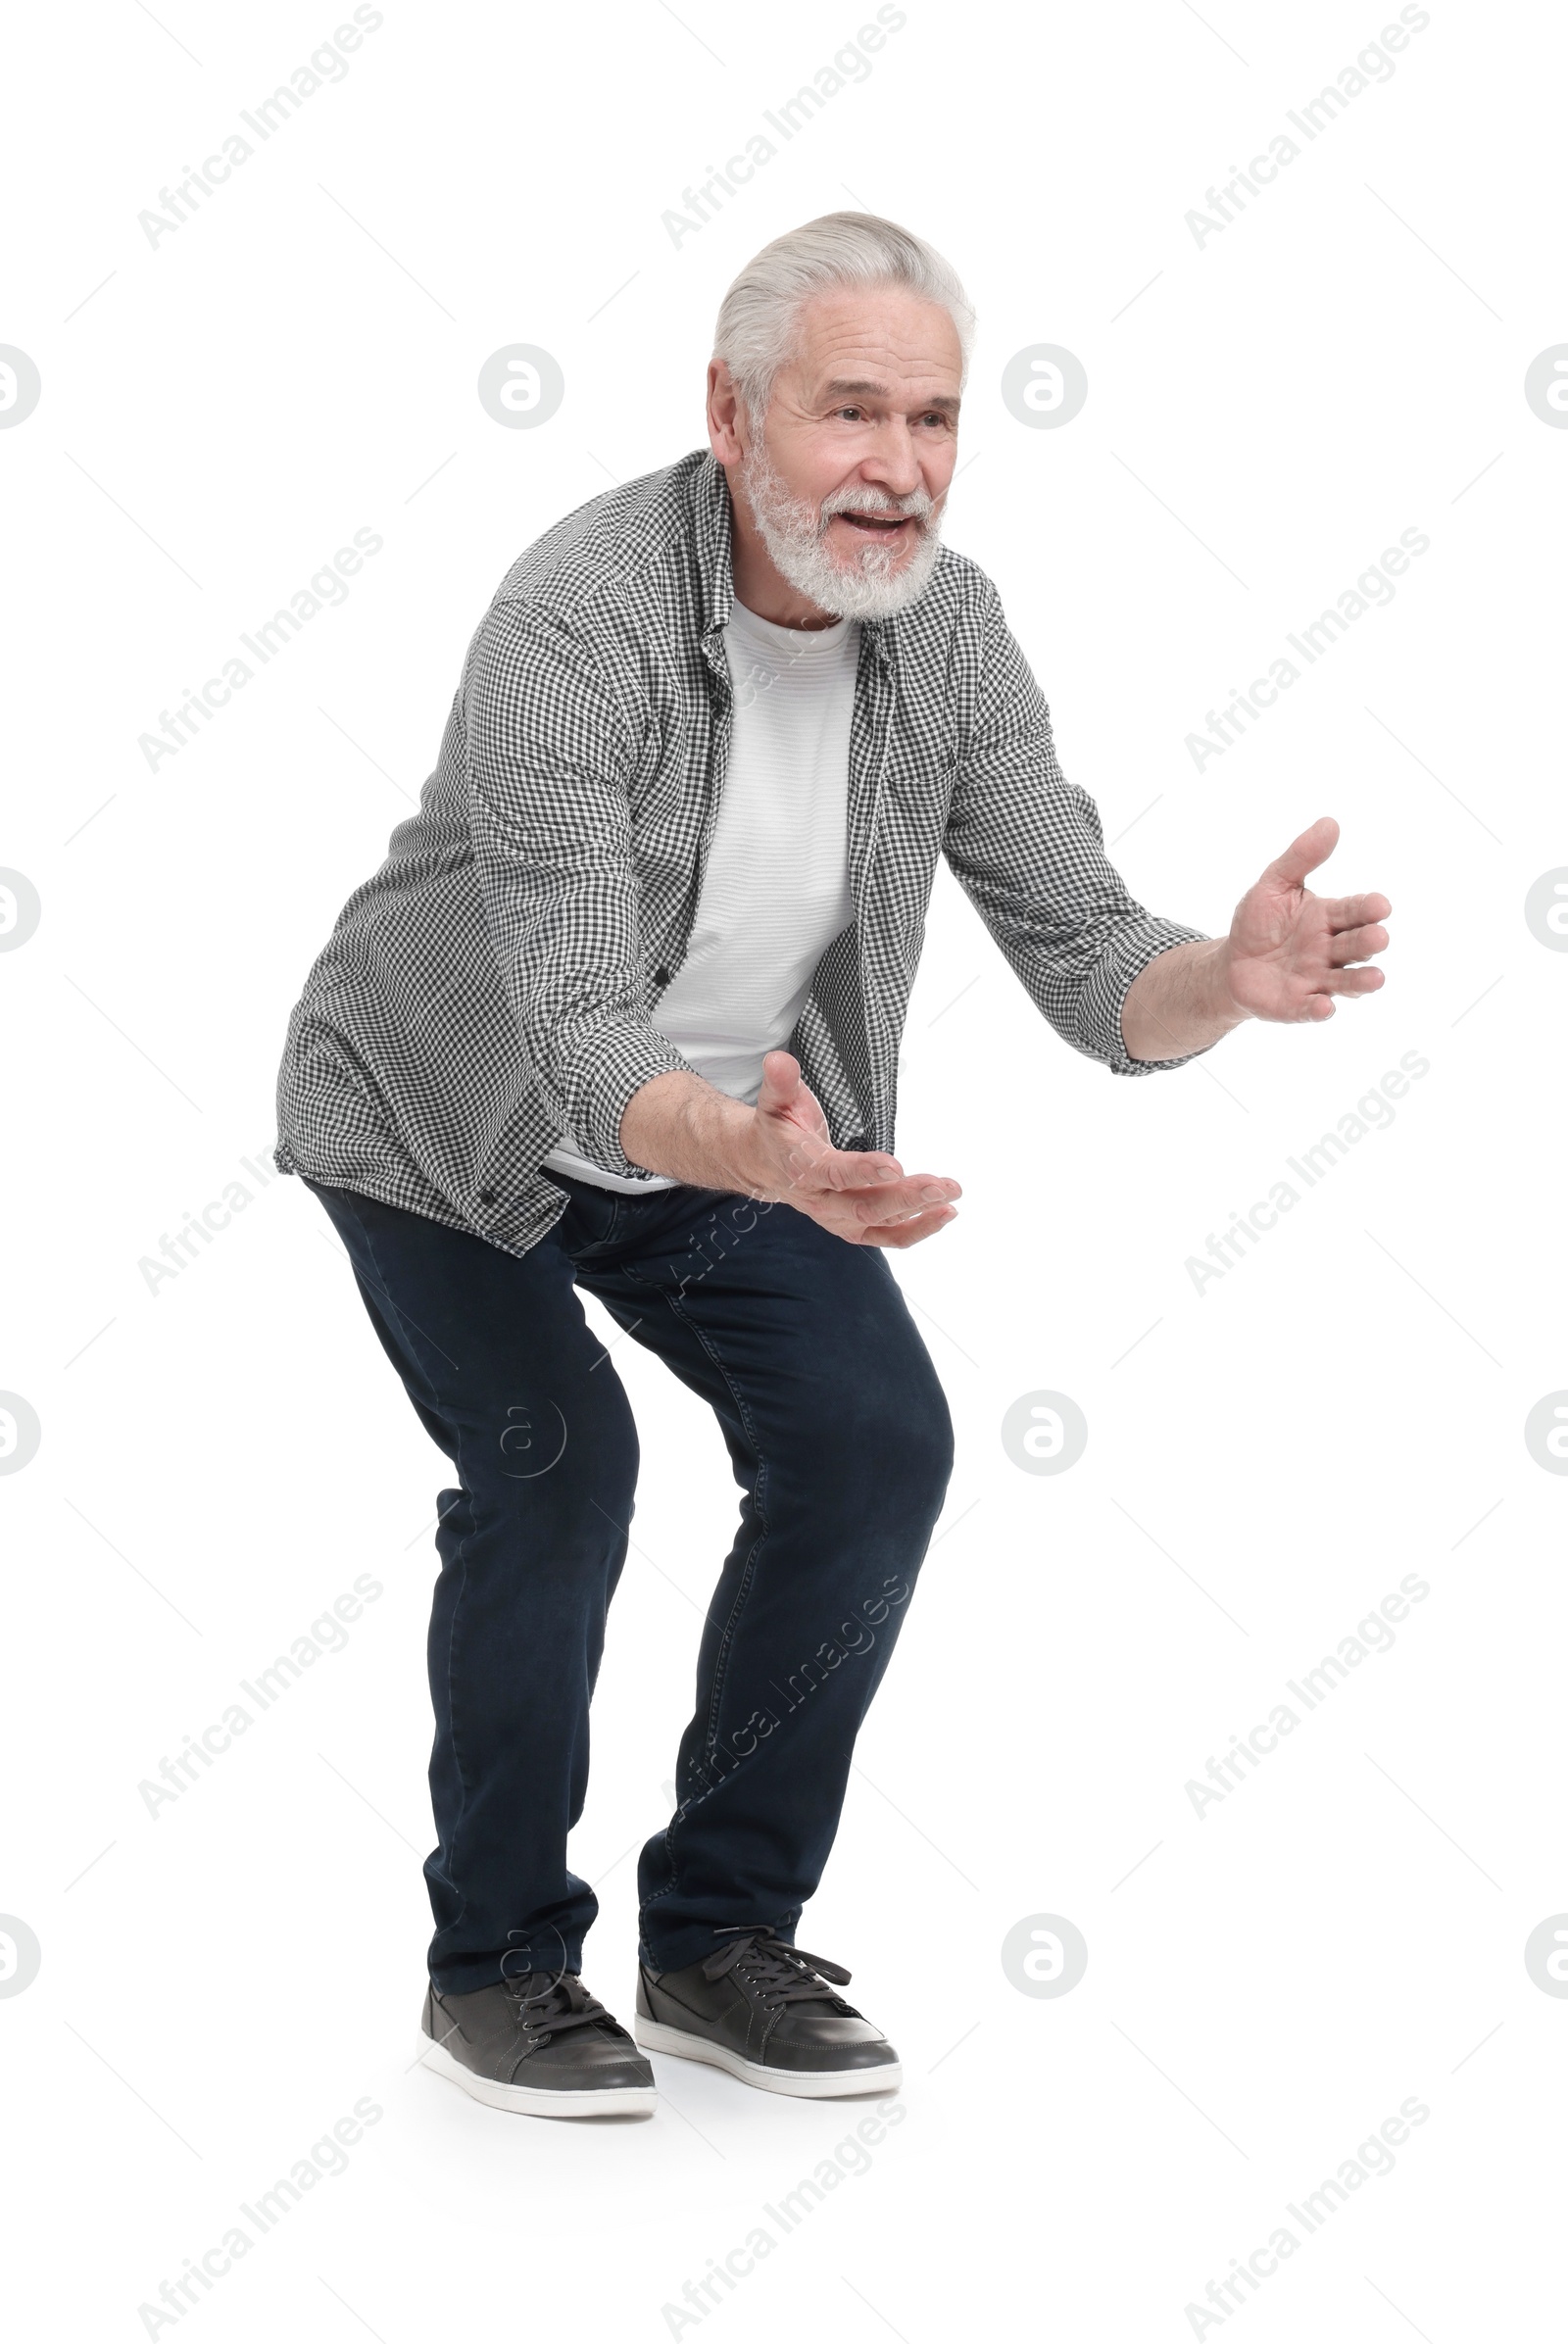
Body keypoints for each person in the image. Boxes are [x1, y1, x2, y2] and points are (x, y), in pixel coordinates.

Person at [271, 212, 1391, 2120]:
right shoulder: (579, 615)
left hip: (733, 1126)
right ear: (730, 414)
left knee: (871, 1436)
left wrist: (1219, 971)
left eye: (933, 418)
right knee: (559, 1464)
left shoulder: (943, 635)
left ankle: (715, 1931)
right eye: (847, 409)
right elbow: (564, 1020)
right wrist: (754, 1157)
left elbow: (1078, 936)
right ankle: (499, 1958)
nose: (895, 464)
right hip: (444, 1115)